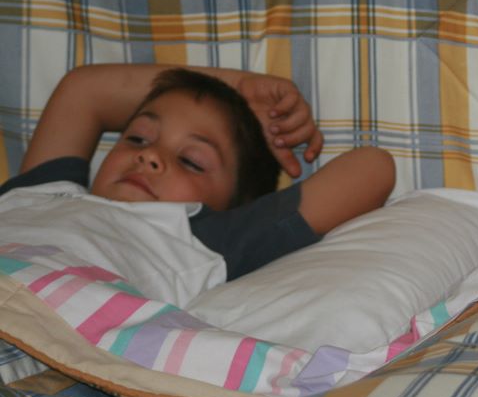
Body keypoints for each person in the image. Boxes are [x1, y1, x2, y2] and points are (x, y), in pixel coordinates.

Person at [0, 63, 395, 304]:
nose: (150, 156)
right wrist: (239, 86)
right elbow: (84, 90)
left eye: (190, 161)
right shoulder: (43, 193)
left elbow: (372, 169)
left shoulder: (201, 239)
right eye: (137, 138)